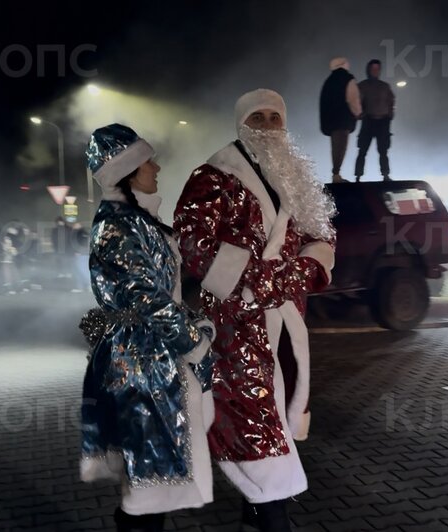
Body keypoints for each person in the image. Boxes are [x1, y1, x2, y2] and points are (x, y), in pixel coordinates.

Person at [174, 89, 336, 531]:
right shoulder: (214, 175)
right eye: (256, 118)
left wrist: (302, 270)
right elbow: (191, 242)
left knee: (275, 415)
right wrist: (258, 280)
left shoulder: (294, 174)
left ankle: (258, 513)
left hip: (285, 319)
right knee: (253, 422)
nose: (267, 126)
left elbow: (321, 235)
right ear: (241, 124)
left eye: (274, 117)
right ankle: (271, 515)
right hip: (235, 325)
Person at [81, 123, 217, 532]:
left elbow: (163, 293)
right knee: (147, 480)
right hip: (142, 364)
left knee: (152, 480)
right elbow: (148, 299)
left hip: (152, 355)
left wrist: (194, 323)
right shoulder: (119, 226)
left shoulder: (137, 219)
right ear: (126, 171)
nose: (156, 168)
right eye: (148, 162)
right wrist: (195, 343)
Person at [319, 57, 361, 183]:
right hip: (343, 120)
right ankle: (336, 175)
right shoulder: (348, 79)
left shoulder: (329, 81)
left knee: (335, 147)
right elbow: (353, 98)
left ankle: (336, 174)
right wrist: (358, 113)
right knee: (341, 147)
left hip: (331, 121)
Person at [354, 59, 395, 182]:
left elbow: (391, 101)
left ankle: (385, 175)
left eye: (377, 69)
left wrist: (389, 115)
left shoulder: (385, 87)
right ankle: (358, 176)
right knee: (362, 150)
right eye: (373, 68)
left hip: (383, 122)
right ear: (369, 70)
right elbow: (357, 102)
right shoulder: (363, 86)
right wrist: (360, 114)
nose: (375, 71)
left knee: (383, 151)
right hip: (368, 121)